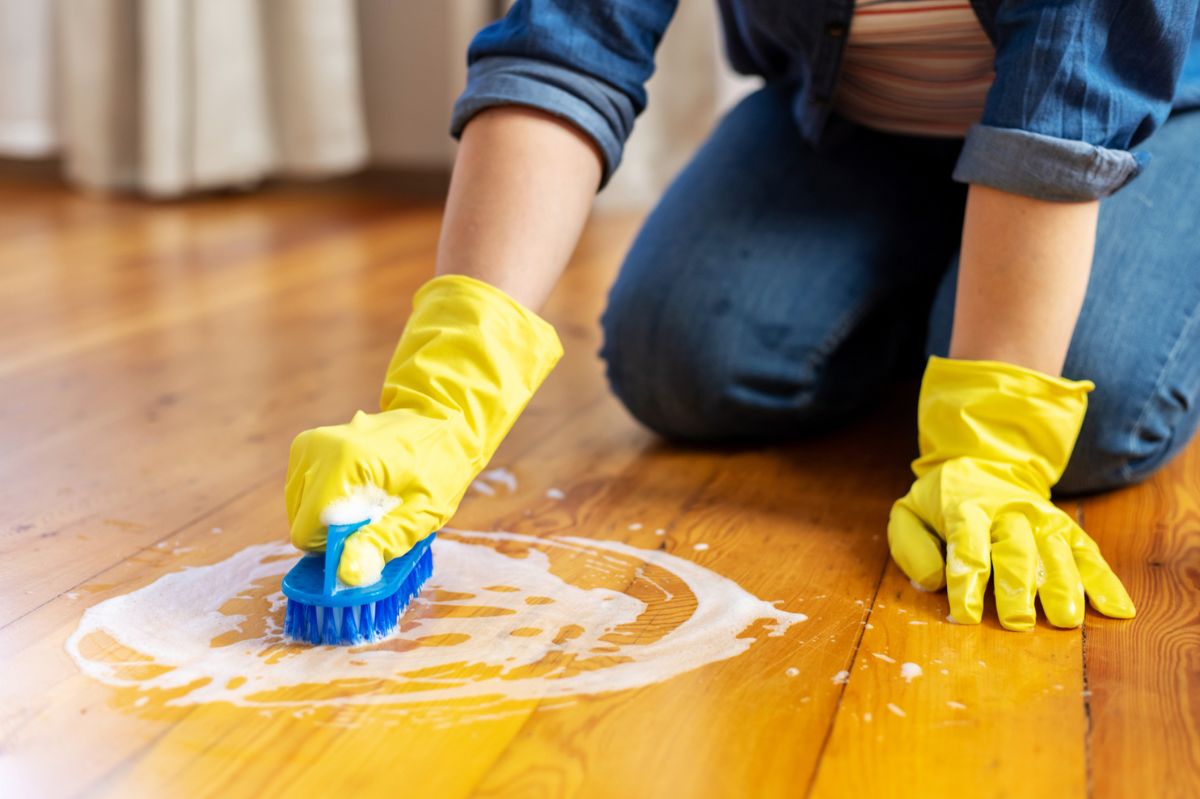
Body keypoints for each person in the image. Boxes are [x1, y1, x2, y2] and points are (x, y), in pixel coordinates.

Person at [284, 1, 1200, 631]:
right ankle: (955, 279)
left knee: (1089, 416)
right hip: (851, 124)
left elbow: (1068, 105)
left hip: (1130, 135)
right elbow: (566, 44)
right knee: (679, 361)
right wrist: (439, 401)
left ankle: (991, 292)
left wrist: (994, 446)